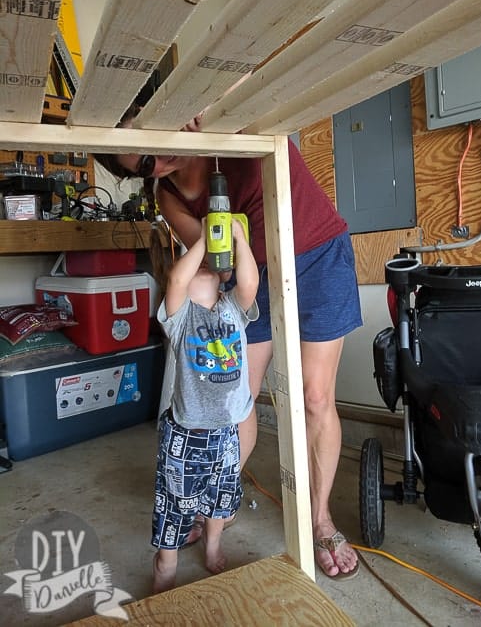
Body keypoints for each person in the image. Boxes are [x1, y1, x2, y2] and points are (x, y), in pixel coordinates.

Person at [95, 108, 363, 580]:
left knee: (315, 397)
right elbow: (218, 261)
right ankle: (216, 501)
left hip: (317, 256)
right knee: (235, 404)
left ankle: (320, 519)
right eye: (142, 166)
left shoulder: (229, 125)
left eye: (151, 144)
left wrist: (222, 117)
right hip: (247, 281)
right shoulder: (170, 195)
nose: (157, 160)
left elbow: (260, 94)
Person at [152, 217, 259, 593]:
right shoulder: (180, 318)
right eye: (194, 263)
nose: (200, 266)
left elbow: (250, 283)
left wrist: (238, 237)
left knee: (220, 497)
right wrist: (201, 239)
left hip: (226, 435)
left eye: (209, 266)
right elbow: (177, 282)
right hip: (185, 435)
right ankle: (167, 559)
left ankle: (213, 545)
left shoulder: (232, 311)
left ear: (221, 277)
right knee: (173, 503)